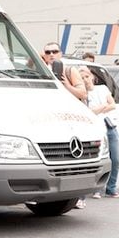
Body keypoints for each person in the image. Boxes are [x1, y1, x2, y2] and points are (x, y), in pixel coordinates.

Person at [43, 42, 88, 209]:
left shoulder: (69, 70)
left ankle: (79, 196)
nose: (51, 54)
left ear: (61, 53)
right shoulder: (41, 69)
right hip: (48, 120)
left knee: (74, 156)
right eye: (48, 52)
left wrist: (66, 85)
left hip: (70, 119)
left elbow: (82, 94)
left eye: (55, 51)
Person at [78, 66, 119, 200]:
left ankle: (111, 188)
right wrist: (103, 107)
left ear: (92, 76)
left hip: (109, 126)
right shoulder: (83, 95)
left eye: (86, 76)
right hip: (95, 129)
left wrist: (99, 109)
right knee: (98, 159)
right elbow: (89, 112)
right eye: (82, 78)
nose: (85, 80)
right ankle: (96, 189)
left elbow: (112, 104)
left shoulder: (102, 88)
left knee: (115, 158)